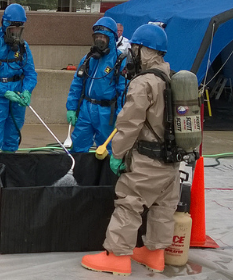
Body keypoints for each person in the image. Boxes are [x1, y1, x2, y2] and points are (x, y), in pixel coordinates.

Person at [81, 24, 178, 275]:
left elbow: (128, 124)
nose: (132, 54)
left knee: (129, 203)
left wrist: (117, 153)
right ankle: (155, 254)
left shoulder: (144, 83)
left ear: (145, 50)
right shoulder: (174, 78)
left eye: (135, 48)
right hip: (172, 163)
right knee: (162, 208)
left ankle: (117, 256)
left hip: (147, 159)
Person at [0, 3, 37, 153]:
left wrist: (27, 91)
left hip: (18, 97)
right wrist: (4, 91)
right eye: (12, 29)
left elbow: (30, 73)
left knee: (12, 138)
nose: (15, 33)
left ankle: (8, 172)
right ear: (5, 25)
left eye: (19, 29)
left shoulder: (24, 47)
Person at [65, 17, 128, 153]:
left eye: (103, 37)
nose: (99, 40)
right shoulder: (88, 59)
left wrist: (120, 115)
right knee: (78, 145)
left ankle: (106, 174)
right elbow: (77, 84)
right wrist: (71, 107)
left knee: (107, 148)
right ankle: (77, 173)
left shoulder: (119, 61)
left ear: (111, 38)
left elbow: (123, 91)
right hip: (86, 109)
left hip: (107, 112)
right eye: (97, 37)